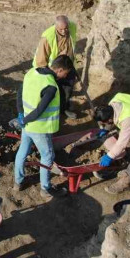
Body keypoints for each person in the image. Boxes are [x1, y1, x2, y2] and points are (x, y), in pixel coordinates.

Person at [13, 55, 76, 199]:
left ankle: (18, 182)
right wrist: (25, 119)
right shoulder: (51, 86)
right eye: (65, 73)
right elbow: (40, 110)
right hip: (39, 128)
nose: (65, 77)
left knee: (23, 150)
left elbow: (19, 93)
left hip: (27, 124)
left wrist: (21, 115)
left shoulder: (32, 72)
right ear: (59, 70)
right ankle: (46, 189)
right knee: (48, 156)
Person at [33, 15, 79, 119]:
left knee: (68, 90)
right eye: (61, 29)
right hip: (53, 69)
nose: (64, 31)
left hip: (68, 65)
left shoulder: (72, 27)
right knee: (53, 91)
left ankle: (64, 108)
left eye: (66, 28)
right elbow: (40, 60)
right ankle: (52, 112)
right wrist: (47, 75)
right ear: (55, 26)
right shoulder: (47, 37)